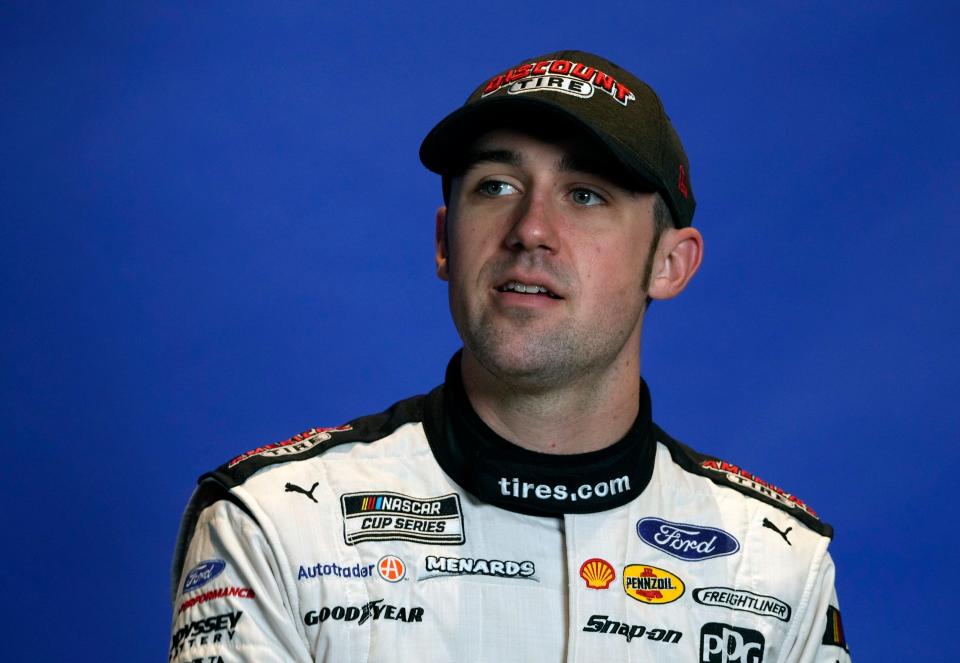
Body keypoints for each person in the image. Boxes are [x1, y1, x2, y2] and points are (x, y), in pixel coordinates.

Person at [169, 50, 851, 663]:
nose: (530, 230)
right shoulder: (274, 524)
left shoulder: (775, 563)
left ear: (670, 263)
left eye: (586, 195)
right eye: (495, 186)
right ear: (444, 241)